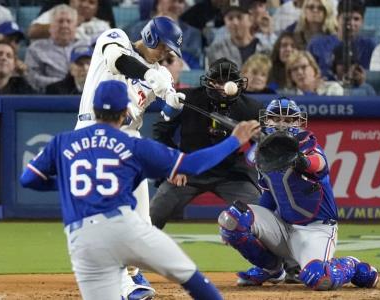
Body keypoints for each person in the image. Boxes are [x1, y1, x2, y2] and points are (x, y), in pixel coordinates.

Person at [20, 79, 260, 300]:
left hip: (82, 239)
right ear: (126, 111)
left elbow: (28, 179)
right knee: (189, 276)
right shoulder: (132, 144)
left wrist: (63, 186)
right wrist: (234, 140)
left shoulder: (62, 142)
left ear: (93, 109)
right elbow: (192, 165)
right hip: (124, 228)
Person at [74, 16, 185, 299]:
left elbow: (165, 114)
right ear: (149, 37)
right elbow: (117, 60)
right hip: (94, 133)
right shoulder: (115, 37)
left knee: (141, 221)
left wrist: (173, 102)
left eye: (169, 51)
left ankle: (131, 275)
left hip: (129, 142)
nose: (164, 53)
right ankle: (123, 284)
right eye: (163, 46)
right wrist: (150, 76)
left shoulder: (160, 73)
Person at [218, 97, 380, 290]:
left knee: (319, 278)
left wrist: (297, 160)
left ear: (299, 123)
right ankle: (271, 270)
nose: (281, 124)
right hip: (283, 225)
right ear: (266, 120)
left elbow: (319, 163)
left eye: (288, 120)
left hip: (316, 229)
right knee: (231, 219)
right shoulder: (261, 153)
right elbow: (268, 198)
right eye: (275, 118)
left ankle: (352, 265)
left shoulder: (308, 146)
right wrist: (241, 229)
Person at [150, 58, 264, 229]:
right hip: (188, 169)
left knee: (261, 214)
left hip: (230, 172)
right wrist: (174, 165)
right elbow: (159, 131)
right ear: (209, 82)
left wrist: (253, 158)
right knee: (152, 216)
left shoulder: (251, 108)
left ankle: (269, 254)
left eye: (230, 81)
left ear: (239, 83)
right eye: (219, 81)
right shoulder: (186, 99)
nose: (224, 87)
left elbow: (266, 142)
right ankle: (135, 254)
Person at [307, 0, 376, 79]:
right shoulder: (317, 44)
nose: (351, 23)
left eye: (356, 19)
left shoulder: (369, 46)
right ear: (337, 19)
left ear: (362, 22)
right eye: (346, 19)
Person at [128, 0, 203, 69]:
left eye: (180, 1)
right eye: (172, 1)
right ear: (157, 3)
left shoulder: (194, 34)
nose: (176, 5)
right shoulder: (134, 29)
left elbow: (195, 67)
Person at [25, 4, 79, 92]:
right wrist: (62, 84)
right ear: (50, 27)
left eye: (69, 21)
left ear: (75, 27)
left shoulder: (85, 46)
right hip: (50, 96)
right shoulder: (36, 49)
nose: (64, 25)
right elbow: (31, 78)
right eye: (60, 21)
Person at [206, 0, 265, 69]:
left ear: (250, 19)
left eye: (239, 17)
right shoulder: (216, 50)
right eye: (230, 18)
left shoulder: (264, 49)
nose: (235, 23)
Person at [28, 0, 111, 42]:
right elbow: (32, 32)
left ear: (96, 8)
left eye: (91, 2)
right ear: (71, 1)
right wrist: (68, 24)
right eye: (81, 0)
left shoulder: (103, 26)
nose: (85, 5)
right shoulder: (58, 12)